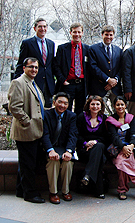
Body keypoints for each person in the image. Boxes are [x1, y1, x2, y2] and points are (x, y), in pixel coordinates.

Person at [8, 57, 45, 203]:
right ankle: (30, 194)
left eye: (36, 67)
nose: (34, 70)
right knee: (28, 164)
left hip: (34, 130)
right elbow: (14, 107)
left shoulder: (32, 82)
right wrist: (27, 122)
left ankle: (20, 189)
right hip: (26, 130)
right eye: (31, 67)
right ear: (24, 68)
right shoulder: (18, 82)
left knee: (26, 162)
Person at [106, 96, 135, 200]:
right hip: (116, 147)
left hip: (129, 147)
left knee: (121, 162)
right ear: (114, 106)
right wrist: (123, 147)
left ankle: (122, 190)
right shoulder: (110, 120)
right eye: (117, 105)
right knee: (122, 160)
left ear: (126, 105)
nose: (120, 107)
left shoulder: (131, 118)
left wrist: (131, 145)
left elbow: (134, 134)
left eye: (122, 104)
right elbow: (114, 137)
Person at [41, 92, 77, 204]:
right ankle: (53, 192)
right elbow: (44, 135)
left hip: (64, 148)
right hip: (50, 147)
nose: (62, 105)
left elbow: (73, 135)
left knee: (68, 162)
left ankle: (65, 191)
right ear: (54, 102)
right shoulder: (46, 115)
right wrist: (50, 150)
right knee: (53, 162)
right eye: (60, 102)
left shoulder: (71, 116)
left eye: (66, 103)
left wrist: (69, 151)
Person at [14, 18, 55, 108]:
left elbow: (51, 64)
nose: (42, 29)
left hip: (48, 84)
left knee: (47, 111)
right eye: (40, 26)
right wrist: (17, 81)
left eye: (44, 26)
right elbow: (21, 63)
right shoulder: (27, 43)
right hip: (33, 81)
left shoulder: (51, 44)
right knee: (33, 109)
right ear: (34, 28)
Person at [54, 23, 90, 115]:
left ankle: (76, 129)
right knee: (66, 110)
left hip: (82, 84)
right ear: (70, 32)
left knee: (80, 110)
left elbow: (90, 67)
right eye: (74, 32)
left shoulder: (87, 49)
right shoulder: (62, 48)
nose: (77, 34)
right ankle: (66, 129)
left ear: (82, 33)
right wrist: (63, 80)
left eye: (79, 32)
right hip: (68, 84)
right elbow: (56, 66)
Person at [76, 95, 108, 199]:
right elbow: (76, 134)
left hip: (99, 146)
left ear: (101, 106)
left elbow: (106, 137)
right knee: (100, 158)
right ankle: (99, 191)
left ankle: (87, 175)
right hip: (84, 149)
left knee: (98, 147)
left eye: (97, 104)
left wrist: (95, 142)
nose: (95, 106)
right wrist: (86, 143)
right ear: (88, 105)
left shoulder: (104, 118)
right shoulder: (81, 117)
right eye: (92, 104)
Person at [89, 25, 123, 114]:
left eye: (111, 35)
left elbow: (121, 67)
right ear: (102, 35)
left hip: (115, 88)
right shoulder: (93, 49)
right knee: (99, 112)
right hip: (100, 87)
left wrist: (115, 80)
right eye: (106, 34)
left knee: (118, 112)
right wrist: (107, 79)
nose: (109, 37)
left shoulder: (118, 50)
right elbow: (93, 67)